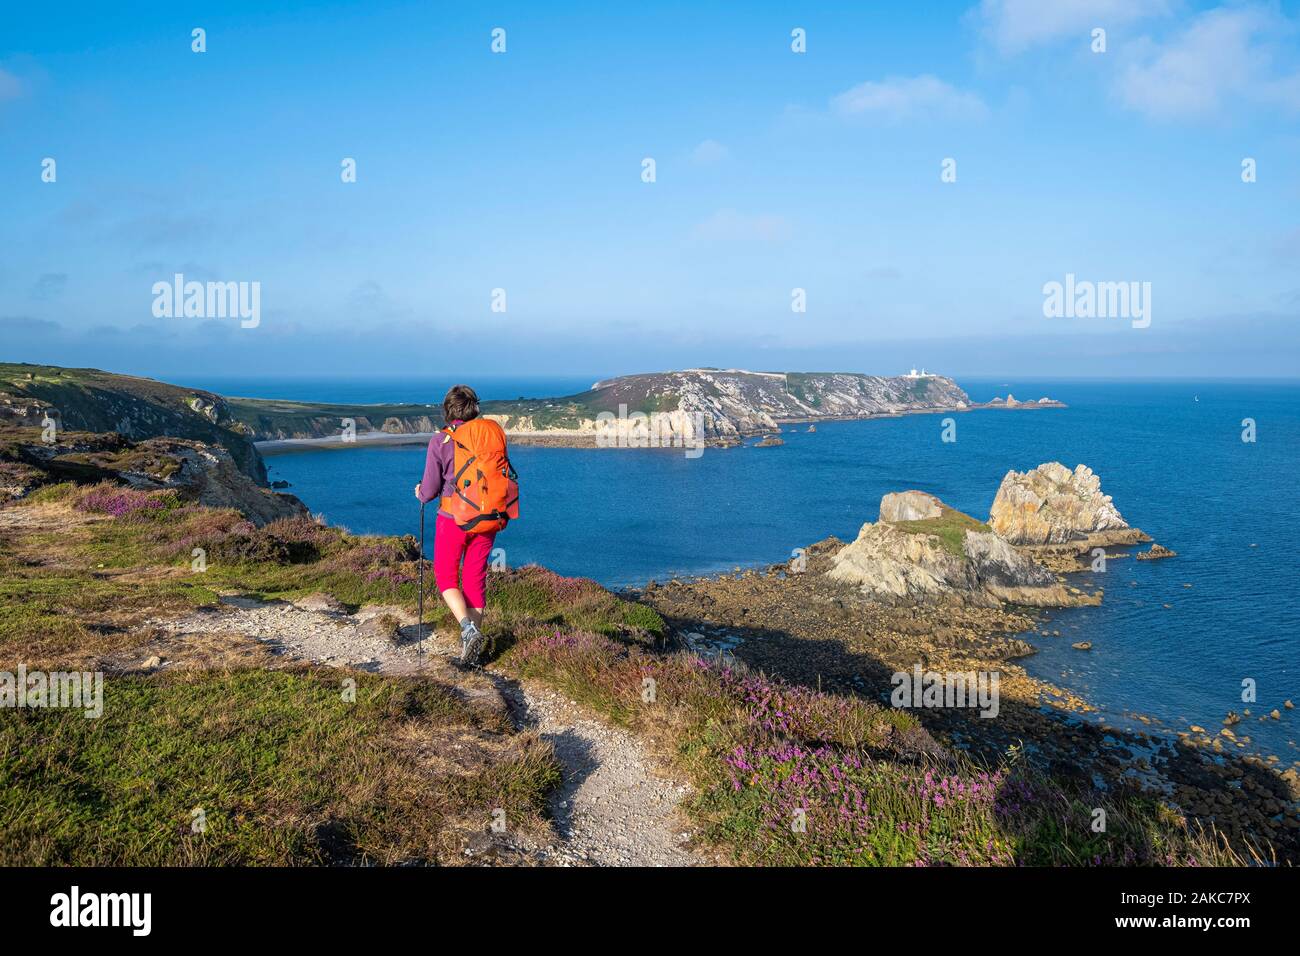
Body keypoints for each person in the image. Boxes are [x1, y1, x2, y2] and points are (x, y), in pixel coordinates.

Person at [414, 384, 500, 664]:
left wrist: (420, 492)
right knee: (475, 578)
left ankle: (467, 628)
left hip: (453, 517)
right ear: (475, 408)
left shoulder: (441, 440)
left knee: (445, 575)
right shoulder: (489, 435)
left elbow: (429, 490)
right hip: (488, 517)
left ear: (448, 410)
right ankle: (471, 652)